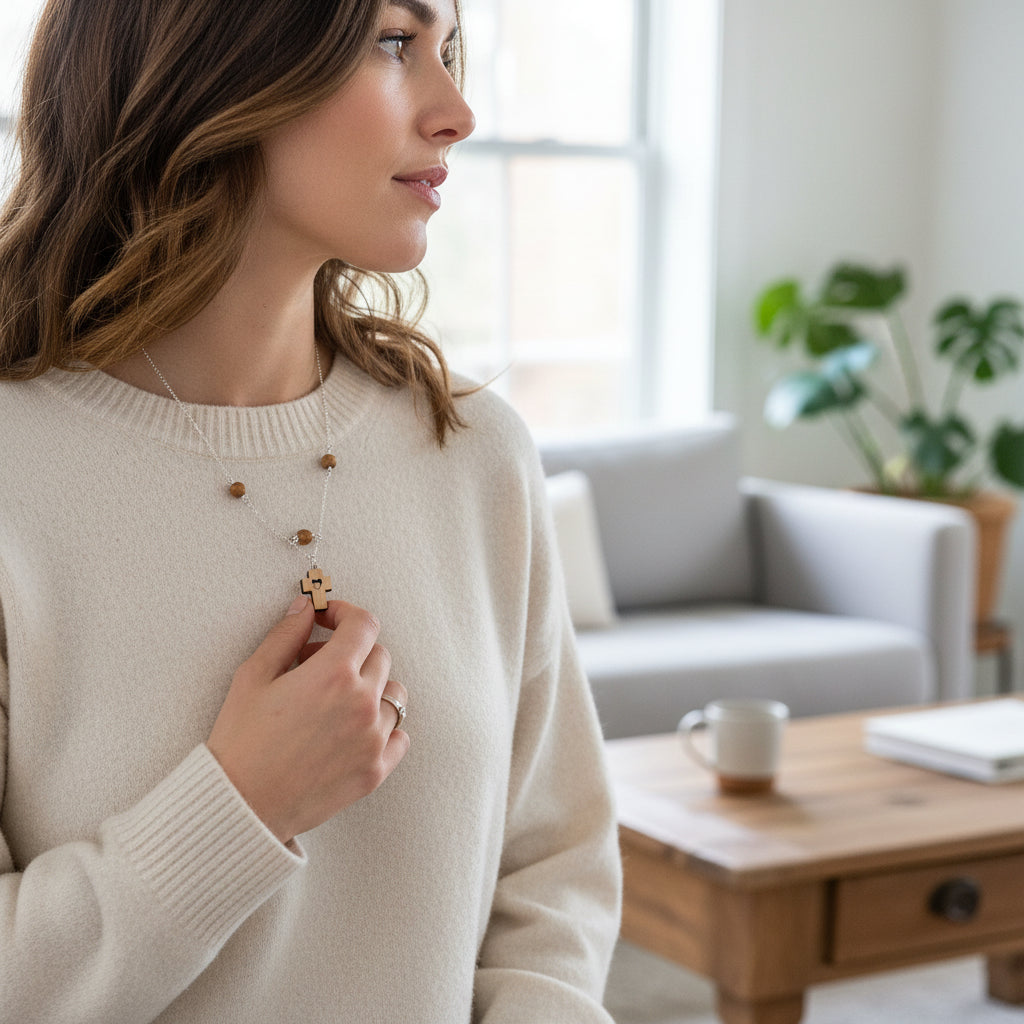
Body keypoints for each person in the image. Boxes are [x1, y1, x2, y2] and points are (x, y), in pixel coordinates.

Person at [0, 0, 622, 1021]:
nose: (456, 109)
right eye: (392, 43)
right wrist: (240, 804)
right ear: (214, 63)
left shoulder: (474, 455)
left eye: (447, 51)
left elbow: (552, 866)